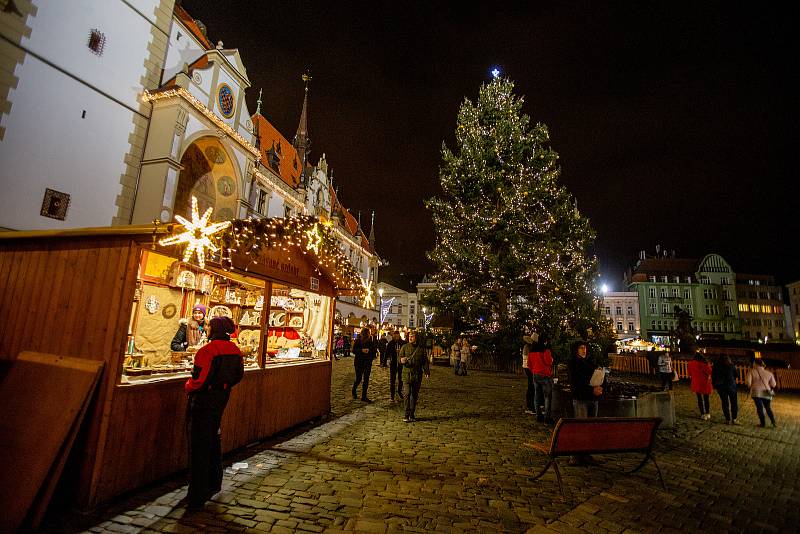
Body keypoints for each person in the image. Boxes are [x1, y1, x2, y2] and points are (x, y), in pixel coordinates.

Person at [184, 316, 244, 510]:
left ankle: (197, 493)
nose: (207, 328)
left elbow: (199, 379)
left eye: (209, 326)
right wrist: (224, 387)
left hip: (204, 399)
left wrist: (189, 386)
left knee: (200, 444)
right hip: (222, 397)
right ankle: (214, 481)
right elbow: (239, 375)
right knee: (213, 437)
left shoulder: (207, 350)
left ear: (214, 329)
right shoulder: (235, 350)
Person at [567, 340, 602, 466]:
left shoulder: (589, 362)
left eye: (585, 348)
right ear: (576, 349)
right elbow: (576, 382)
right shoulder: (573, 363)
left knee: (590, 428)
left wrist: (599, 386)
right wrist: (591, 389)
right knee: (580, 427)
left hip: (593, 398)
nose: (584, 350)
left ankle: (586, 453)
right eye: (581, 348)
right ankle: (575, 455)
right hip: (581, 398)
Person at [399, 330, 430, 422]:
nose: (410, 338)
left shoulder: (421, 349)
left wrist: (426, 372)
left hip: (417, 375)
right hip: (406, 374)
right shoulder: (404, 347)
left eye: (412, 336)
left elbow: (425, 361)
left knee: (414, 395)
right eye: (409, 336)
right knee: (407, 394)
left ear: (416, 337)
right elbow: (399, 358)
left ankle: (412, 414)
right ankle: (406, 414)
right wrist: (401, 360)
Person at [529, 336, 554, 424]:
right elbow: (549, 362)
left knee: (537, 395)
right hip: (545, 374)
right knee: (547, 397)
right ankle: (547, 417)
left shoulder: (531, 351)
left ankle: (538, 415)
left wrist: (534, 370)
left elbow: (529, 363)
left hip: (535, 374)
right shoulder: (546, 350)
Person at [746, 360, 777, 428]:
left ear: (755, 364)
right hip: (766, 393)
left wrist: (751, 386)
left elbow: (748, 383)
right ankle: (773, 421)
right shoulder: (769, 373)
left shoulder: (751, 371)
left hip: (756, 393)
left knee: (759, 408)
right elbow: (774, 384)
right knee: (768, 408)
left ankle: (763, 423)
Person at [352, 327, 377, 402]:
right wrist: (361, 350)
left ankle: (364, 396)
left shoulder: (370, 342)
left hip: (367, 363)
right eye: (368, 333)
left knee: (366, 379)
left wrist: (371, 355)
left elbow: (374, 351)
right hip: (359, 363)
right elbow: (354, 350)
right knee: (358, 378)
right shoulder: (358, 341)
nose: (369, 334)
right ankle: (354, 389)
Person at [712, 355, 739, 424]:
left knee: (724, 403)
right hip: (731, 386)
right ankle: (734, 419)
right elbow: (736, 375)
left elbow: (713, 376)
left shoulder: (716, 367)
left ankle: (727, 419)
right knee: (734, 403)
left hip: (721, 387)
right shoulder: (731, 366)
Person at [687, 352, 713, 420]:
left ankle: (702, 414)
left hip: (696, 382)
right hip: (705, 382)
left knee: (699, 399)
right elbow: (710, 372)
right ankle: (707, 413)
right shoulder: (704, 363)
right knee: (706, 398)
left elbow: (689, 373)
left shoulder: (690, 364)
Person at [386, 330, 406, 401]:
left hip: (401, 364)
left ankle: (399, 392)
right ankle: (392, 395)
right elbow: (387, 353)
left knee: (401, 379)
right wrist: (386, 361)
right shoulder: (391, 343)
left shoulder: (403, 343)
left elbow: (406, 352)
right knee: (392, 380)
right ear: (393, 336)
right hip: (393, 363)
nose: (396, 337)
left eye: (397, 336)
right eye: (395, 336)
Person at [521, 335, 536, 414]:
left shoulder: (526, 347)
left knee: (531, 385)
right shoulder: (528, 348)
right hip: (528, 367)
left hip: (527, 367)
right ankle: (530, 405)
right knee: (531, 386)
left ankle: (530, 404)